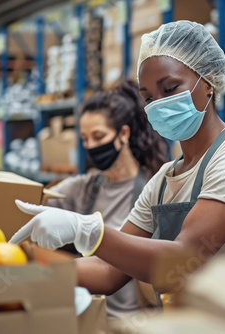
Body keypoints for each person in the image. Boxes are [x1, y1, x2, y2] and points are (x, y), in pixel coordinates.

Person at [10, 21, 225, 302]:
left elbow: (186, 259)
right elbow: (108, 271)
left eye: (170, 89)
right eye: (148, 96)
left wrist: (85, 230)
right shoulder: (162, 180)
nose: (158, 103)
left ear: (208, 82)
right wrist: (25, 268)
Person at [37, 81, 168, 317]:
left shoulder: (154, 188)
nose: (91, 146)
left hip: (133, 323)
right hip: (89, 318)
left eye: (98, 136)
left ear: (123, 133)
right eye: (85, 139)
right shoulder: (81, 188)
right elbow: (32, 205)